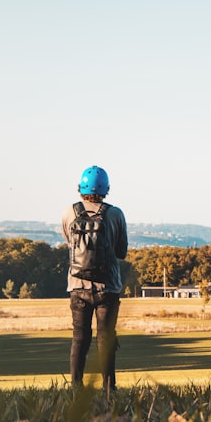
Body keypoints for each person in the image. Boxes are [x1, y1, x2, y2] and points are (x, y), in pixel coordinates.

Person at [62, 165, 128, 397]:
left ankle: (76, 388)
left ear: (80, 188)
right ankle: (109, 388)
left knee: (80, 337)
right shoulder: (115, 213)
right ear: (106, 189)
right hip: (107, 287)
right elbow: (122, 251)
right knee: (105, 338)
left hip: (77, 286)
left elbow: (69, 242)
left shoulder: (70, 212)